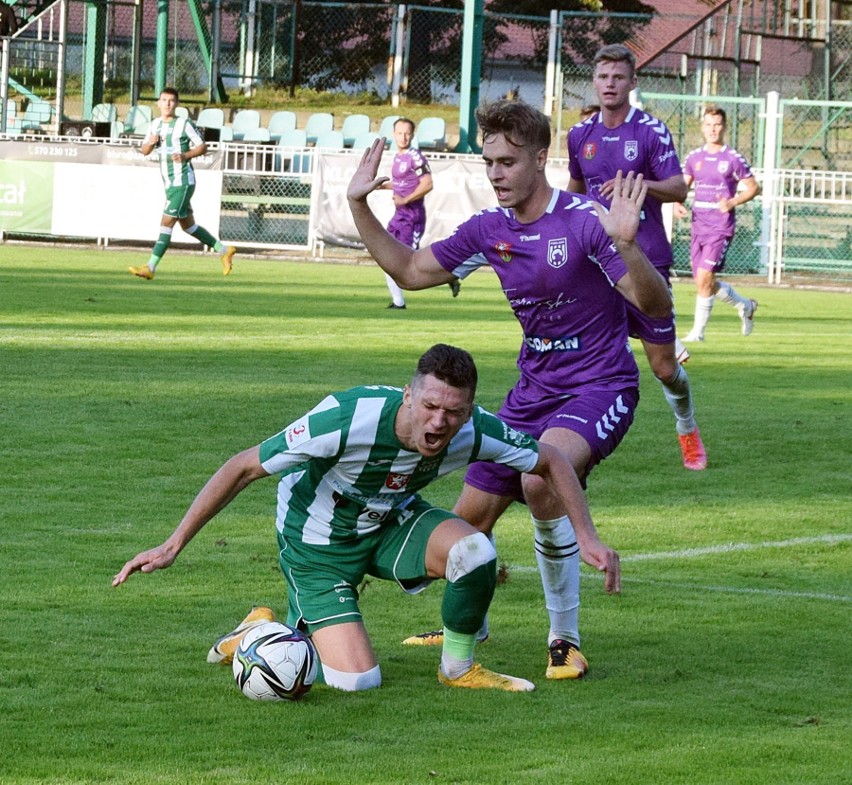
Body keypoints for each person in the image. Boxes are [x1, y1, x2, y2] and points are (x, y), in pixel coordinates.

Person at [347, 100, 671, 680]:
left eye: (506, 161)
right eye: (488, 160)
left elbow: (656, 305)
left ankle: (564, 639)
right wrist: (358, 204)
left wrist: (627, 245)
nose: (495, 173)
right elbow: (410, 272)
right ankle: (473, 622)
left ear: (540, 158)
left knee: (540, 476)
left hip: (600, 383)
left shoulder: (586, 222)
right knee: (466, 529)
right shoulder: (488, 230)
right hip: (533, 387)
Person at [113, 344, 620, 693]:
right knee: (358, 682)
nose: (440, 422)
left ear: (468, 410)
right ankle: (258, 632)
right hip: (317, 545)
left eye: (454, 411)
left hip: (387, 525)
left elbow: (550, 460)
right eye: (430, 406)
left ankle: (459, 669)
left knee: (475, 551)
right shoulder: (347, 418)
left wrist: (587, 536)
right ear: (409, 395)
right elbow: (244, 466)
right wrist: (174, 542)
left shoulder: (472, 429)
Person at [567, 44, 708, 472]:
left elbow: (679, 189)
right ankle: (570, 439)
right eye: (603, 76)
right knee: (579, 354)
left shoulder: (649, 131)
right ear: (594, 80)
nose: (610, 84)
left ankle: (687, 426)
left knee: (664, 368)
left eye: (618, 77)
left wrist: (637, 184)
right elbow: (573, 194)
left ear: (632, 83)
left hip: (644, 260)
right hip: (594, 264)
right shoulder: (580, 135)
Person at [128, 87, 235, 281]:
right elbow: (144, 150)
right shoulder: (154, 125)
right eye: (164, 100)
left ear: (177, 104)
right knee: (188, 226)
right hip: (169, 183)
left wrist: (185, 155)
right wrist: (150, 143)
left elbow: (203, 146)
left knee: (166, 222)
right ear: (158, 103)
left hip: (183, 181)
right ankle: (224, 250)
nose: (167, 104)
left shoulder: (184, 124)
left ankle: (150, 267)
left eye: (171, 100)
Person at [674, 105, 761, 341]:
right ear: (703, 127)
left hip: (720, 227)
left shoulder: (733, 158)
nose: (713, 129)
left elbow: (754, 187)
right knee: (704, 282)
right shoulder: (694, 157)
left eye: (717, 125)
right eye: (709, 125)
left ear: (724, 127)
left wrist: (733, 202)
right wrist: (676, 203)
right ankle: (745, 306)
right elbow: (683, 186)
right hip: (698, 225)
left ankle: (698, 333)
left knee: (704, 278)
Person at [380, 117, 460, 308]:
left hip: (412, 218)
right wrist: (380, 186)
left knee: (414, 265)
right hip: (399, 217)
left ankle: (449, 275)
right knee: (386, 256)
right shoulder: (398, 157)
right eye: (400, 133)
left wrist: (405, 200)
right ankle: (398, 302)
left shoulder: (415, 157)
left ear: (412, 135)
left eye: (407, 133)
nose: (403, 137)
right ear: (394, 134)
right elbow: (402, 184)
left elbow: (427, 183)